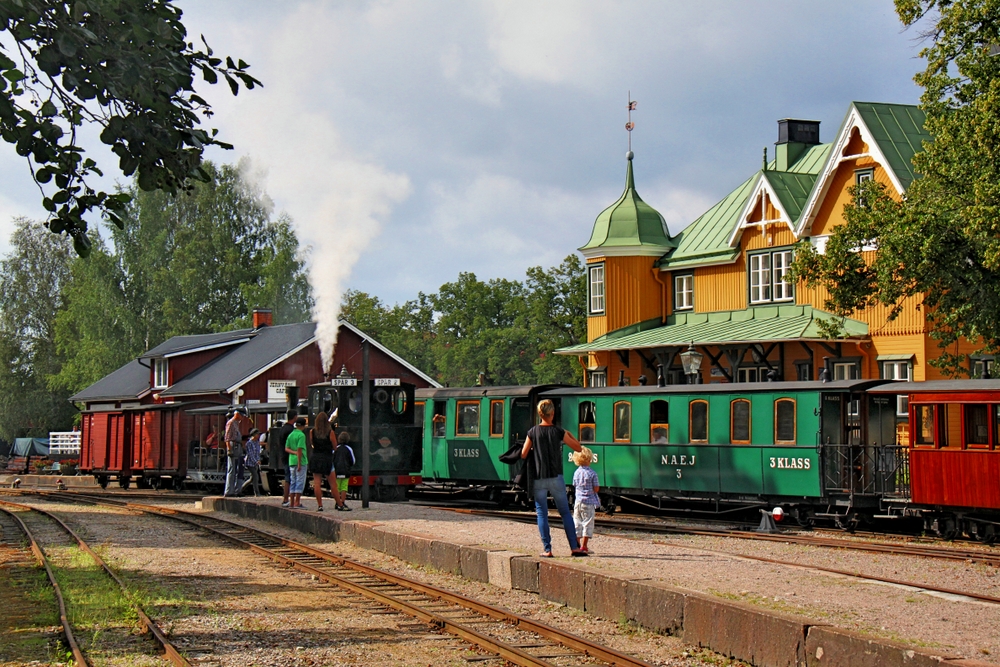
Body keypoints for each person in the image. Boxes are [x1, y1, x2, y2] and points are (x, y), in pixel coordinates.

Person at [521, 399, 587, 557]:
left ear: (540, 414)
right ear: (552, 413)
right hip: (556, 477)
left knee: (542, 513)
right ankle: (574, 548)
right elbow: (578, 448)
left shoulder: (533, 432)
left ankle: (547, 549)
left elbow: (523, 454)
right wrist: (568, 434)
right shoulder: (558, 431)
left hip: (539, 478)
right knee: (564, 512)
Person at [571, 447, 600, 553]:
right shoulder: (592, 473)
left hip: (578, 502)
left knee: (577, 523)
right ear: (589, 459)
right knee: (587, 523)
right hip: (589, 502)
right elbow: (596, 488)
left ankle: (576, 546)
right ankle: (584, 546)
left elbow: (574, 484)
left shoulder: (576, 473)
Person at [308, 412, 335, 511]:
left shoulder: (312, 432)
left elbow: (312, 444)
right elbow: (334, 445)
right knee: (333, 484)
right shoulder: (330, 433)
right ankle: (339, 503)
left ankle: (320, 505)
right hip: (327, 458)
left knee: (317, 483)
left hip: (316, 457)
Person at [285, 417, 308, 509]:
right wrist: (299, 463)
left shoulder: (291, 434)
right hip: (300, 461)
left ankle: (291, 502)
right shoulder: (301, 435)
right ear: (303, 426)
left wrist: (293, 453)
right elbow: (299, 449)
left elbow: (286, 448)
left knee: (293, 481)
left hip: (291, 461)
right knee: (300, 481)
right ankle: (297, 502)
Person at [223, 407, 246, 497]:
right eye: (242, 415)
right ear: (237, 414)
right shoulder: (231, 423)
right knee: (232, 469)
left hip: (238, 446)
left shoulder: (236, 423)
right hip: (233, 446)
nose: (242, 418)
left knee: (238, 469)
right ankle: (229, 491)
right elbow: (227, 438)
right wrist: (229, 449)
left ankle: (236, 490)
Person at [276, 410, 296, 507]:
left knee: (288, 476)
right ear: (295, 417)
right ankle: (287, 499)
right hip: (290, 455)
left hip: (283, 455)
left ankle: (287, 498)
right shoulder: (291, 430)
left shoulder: (283, 428)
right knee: (290, 477)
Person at [332, 431, 355, 511]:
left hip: (336, 471)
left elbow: (332, 459)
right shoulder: (349, 449)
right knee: (344, 487)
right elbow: (353, 461)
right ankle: (342, 502)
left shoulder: (336, 448)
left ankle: (337, 502)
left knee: (337, 487)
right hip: (346, 470)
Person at [244, 428, 262, 497]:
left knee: (251, 479)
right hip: (250, 463)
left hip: (256, 463)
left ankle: (240, 490)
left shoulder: (257, 442)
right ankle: (257, 493)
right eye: (257, 434)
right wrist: (256, 461)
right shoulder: (249, 443)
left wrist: (258, 460)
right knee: (255, 476)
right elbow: (250, 454)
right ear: (253, 434)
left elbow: (257, 453)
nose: (258, 436)